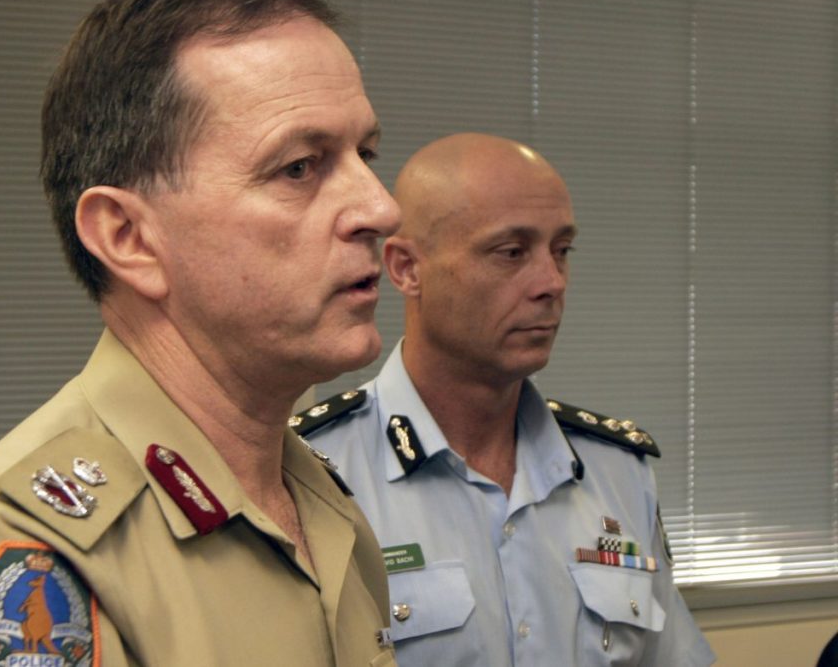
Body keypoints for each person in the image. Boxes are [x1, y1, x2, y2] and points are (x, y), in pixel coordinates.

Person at [0, 0, 402, 665]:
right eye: (298, 167)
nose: (380, 208)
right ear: (128, 238)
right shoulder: (26, 555)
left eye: (366, 155)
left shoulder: (323, 506)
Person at [297, 133, 715, 666]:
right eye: (511, 252)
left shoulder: (616, 472)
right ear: (406, 268)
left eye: (561, 251)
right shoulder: (318, 476)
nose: (550, 282)